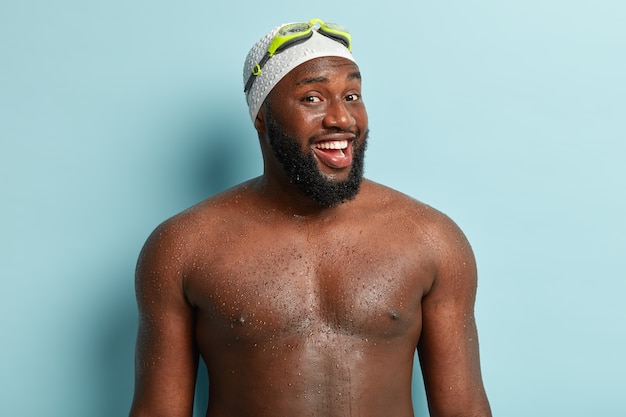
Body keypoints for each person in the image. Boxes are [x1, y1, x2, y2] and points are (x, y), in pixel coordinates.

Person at [129, 18, 491, 417]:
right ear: (262, 116)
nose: (342, 119)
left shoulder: (430, 238)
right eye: (313, 99)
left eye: (352, 96)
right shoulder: (183, 247)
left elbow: (465, 410)